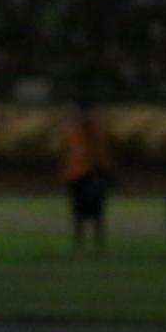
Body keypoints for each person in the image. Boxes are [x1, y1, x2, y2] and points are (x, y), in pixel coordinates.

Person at [59, 102, 113, 250]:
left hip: (91, 172)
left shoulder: (93, 130)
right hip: (78, 173)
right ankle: (82, 240)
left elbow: (102, 152)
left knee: (96, 209)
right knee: (79, 209)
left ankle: (95, 240)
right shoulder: (75, 130)